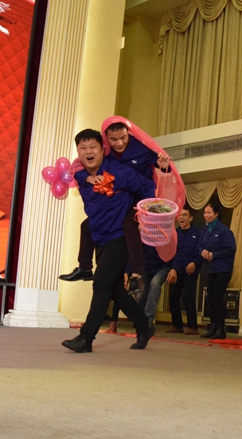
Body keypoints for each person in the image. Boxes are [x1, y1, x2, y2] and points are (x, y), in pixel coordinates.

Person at [61, 129, 155, 353]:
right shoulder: (82, 175)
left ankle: (86, 338)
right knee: (115, 290)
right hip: (100, 237)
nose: (88, 152)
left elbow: (147, 188)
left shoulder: (120, 171)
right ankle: (144, 326)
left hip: (120, 237)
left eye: (93, 147)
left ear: (102, 149)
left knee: (101, 283)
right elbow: (75, 174)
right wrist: (86, 177)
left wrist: (141, 213)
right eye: (83, 148)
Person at [59, 118, 172, 295]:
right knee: (87, 225)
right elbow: (77, 169)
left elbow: (158, 168)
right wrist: (88, 178)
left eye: (123, 138)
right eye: (114, 139)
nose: (119, 143)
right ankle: (85, 268)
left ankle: (136, 274)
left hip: (141, 197)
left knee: (129, 226)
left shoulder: (140, 148)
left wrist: (164, 167)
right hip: (122, 196)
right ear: (106, 140)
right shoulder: (104, 152)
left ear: (129, 134)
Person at [198, 201, 236, 340]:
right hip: (211, 269)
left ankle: (221, 328)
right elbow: (199, 246)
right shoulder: (204, 230)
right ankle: (213, 326)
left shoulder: (224, 231)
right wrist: (202, 251)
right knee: (210, 297)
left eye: (209, 212)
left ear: (216, 214)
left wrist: (214, 254)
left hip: (223, 268)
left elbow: (230, 249)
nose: (206, 215)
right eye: (205, 213)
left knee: (217, 296)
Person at [166, 208, 202, 335]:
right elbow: (172, 253)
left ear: (190, 218)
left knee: (187, 297)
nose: (181, 217)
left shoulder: (197, 233)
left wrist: (195, 263)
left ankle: (193, 327)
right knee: (173, 298)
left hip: (191, 271)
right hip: (177, 270)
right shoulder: (175, 234)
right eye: (180, 215)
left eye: (185, 215)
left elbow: (201, 252)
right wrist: (173, 269)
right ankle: (177, 325)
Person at [135, 245, 172, 326]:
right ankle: (140, 319)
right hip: (146, 268)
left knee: (155, 284)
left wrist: (174, 268)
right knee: (140, 295)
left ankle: (149, 319)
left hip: (162, 266)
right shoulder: (143, 238)